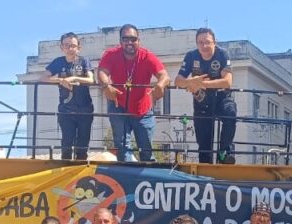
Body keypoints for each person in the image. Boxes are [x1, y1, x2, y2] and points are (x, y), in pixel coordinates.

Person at [97, 24, 170, 162]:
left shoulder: (147, 56)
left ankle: (147, 179)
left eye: (133, 39)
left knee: (146, 150)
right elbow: (101, 72)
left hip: (142, 110)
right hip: (118, 106)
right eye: (125, 39)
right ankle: (127, 180)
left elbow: (164, 75)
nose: (129, 42)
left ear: (139, 41)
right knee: (122, 149)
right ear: (120, 41)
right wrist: (107, 86)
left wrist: (160, 85)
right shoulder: (111, 54)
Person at [175, 27, 237, 164]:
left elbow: (227, 82)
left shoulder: (222, 54)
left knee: (230, 114)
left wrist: (201, 84)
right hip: (201, 100)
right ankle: (205, 168)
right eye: (200, 42)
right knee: (204, 144)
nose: (204, 46)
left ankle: (224, 153)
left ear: (215, 42)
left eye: (208, 42)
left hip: (222, 97)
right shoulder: (191, 56)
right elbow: (178, 81)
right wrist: (190, 82)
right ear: (196, 44)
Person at [42, 32, 95, 160]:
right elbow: (44, 78)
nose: (70, 49)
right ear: (61, 47)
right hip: (66, 109)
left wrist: (74, 78)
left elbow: (91, 80)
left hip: (84, 109)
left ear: (78, 47)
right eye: (66, 45)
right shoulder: (58, 62)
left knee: (82, 146)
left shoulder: (84, 61)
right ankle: (65, 170)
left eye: (73, 46)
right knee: (66, 144)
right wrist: (60, 81)